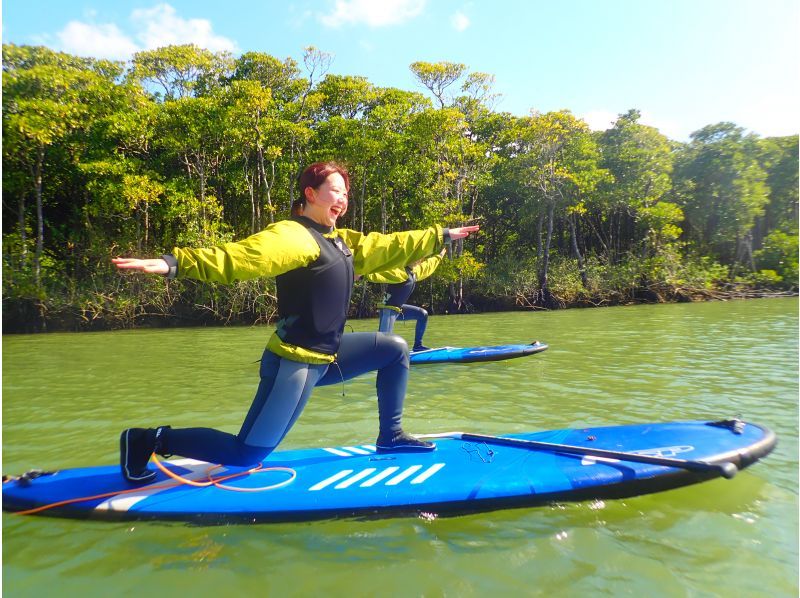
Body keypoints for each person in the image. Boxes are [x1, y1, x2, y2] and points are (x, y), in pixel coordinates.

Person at [112, 161, 479, 483]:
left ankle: (392, 435)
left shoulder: (342, 241)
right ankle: (148, 439)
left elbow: (387, 247)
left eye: (346, 193)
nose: (343, 199)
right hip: (295, 363)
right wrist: (175, 263)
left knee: (394, 349)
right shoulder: (293, 235)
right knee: (247, 455)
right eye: (335, 191)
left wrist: (438, 237)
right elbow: (241, 257)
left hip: (330, 356)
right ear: (310, 193)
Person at [364, 248, 447, 352]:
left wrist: (439, 256)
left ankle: (418, 346)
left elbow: (428, 266)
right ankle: (376, 355)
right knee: (383, 343)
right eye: (416, 258)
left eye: (420, 259)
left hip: (398, 309)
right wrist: (362, 274)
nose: (418, 261)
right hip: (388, 311)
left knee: (423, 314)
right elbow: (379, 273)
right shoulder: (399, 271)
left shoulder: (415, 272)